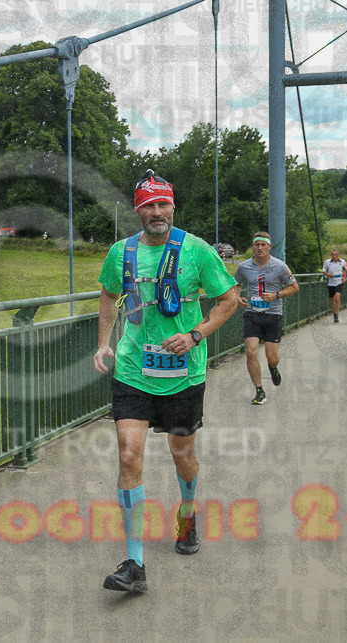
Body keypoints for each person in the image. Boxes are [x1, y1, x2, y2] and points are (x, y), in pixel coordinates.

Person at [93, 169, 239, 593]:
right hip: (133, 369)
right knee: (128, 458)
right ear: (138, 211)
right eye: (149, 206)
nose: (157, 212)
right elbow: (109, 294)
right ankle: (134, 563)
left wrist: (196, 335)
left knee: (181, 454)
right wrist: (103, 344)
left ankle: (187, 514)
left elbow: (229, 299)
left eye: (163, 204)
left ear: (172, 207)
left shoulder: (196, 251)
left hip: (182, 374)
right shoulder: (121, 253)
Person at [235, 232, 299, 405]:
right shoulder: (244, 266)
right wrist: (238, 298)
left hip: (273, 314)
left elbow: (294, 287)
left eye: (263, 244)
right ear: (253, 246)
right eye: (257, 244)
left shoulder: (280, 266)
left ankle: (273, 367)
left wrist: (276, 295)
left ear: (270, 247)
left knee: (272, 356)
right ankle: (259, 390)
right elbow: (237, 284)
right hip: (252, 313)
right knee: (251, 352)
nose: (260, 248)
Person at [322, 249, 347, 323]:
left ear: (338, 255)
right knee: (332, 299)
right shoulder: (327, 262)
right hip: (331, 283)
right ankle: (334, 314)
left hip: (339, 282)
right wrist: (329, 274)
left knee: (337, 297)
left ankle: (336, 314)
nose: (334, 256)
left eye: (335, 255)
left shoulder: (342, 261)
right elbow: (324, 271)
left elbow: (346, 270)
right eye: (333, 255)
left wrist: (344, 277)